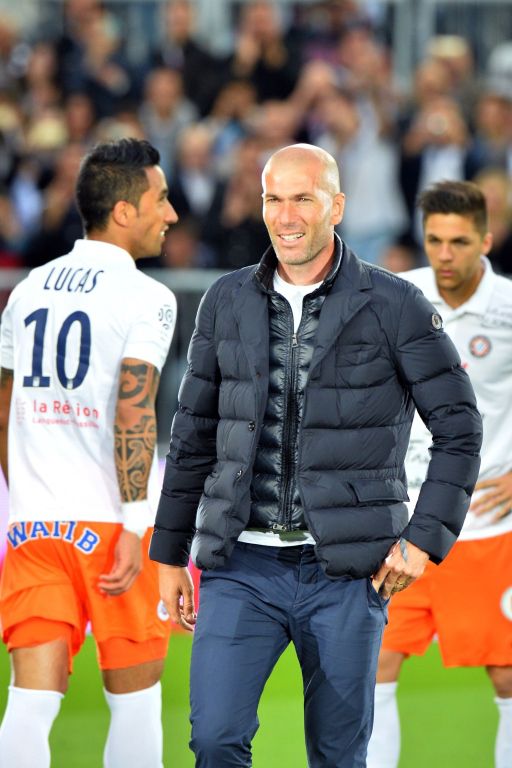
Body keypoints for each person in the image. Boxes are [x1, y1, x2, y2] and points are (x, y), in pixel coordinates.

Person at [149, 143, 482, 768]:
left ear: (336, 205)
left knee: (337, 755)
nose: (286, 214)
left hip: (349, 575)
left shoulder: (396, 304)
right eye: (274, 198)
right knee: (215, 741)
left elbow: (460, 429)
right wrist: (168, 555)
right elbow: (193, 433)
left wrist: (422, 540)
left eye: (302, 197)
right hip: (238, 566)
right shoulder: (224, 299)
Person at [0, 137, 178, 768]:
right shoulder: (147, 297)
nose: (172, 214)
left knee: (29, 702)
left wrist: (25, 498)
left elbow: (4, 405)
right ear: (124, 211)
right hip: (110, 525)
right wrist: (134, 526)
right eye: (160, 198)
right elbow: (135, 410)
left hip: (33, 526)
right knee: (135, 704)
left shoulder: (27, 290)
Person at [367, 180, 512, 768]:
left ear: (485, 239)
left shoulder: (509, 308)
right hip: (403, 520)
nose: (444, 254)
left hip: (486, 524)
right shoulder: (399, 298)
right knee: (375, 661)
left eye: (458, 241)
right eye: (434, 241)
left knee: (506, 672)